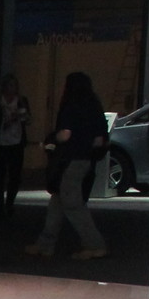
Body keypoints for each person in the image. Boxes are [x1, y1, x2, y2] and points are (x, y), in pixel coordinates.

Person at [30, 70, 109, 260]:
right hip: (86, 160)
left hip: (70, 160)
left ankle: (94, 244)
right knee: (58, 201)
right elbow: (99, 140)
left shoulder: (71, 106)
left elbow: (65, 134)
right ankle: (45, 244)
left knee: (72, 204)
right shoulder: (95, 106)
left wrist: (52, 140)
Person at [0, 74, 30, 220]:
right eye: (10, 85)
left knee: (15, 176)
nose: (13, 89)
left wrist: (21, 117)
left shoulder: (22, 102)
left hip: (16, 142)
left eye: (14, 85)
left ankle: (9, 203)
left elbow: (27, 120)